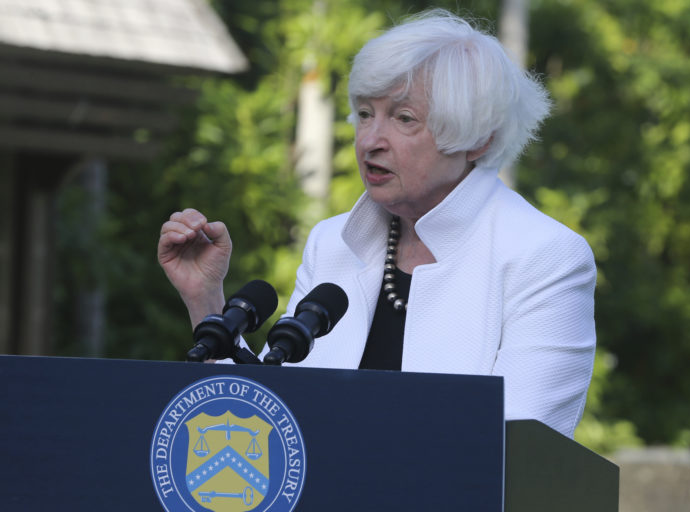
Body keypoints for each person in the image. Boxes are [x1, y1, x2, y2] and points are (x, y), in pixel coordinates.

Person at [158, 9, 596, 439]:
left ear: (479, 139)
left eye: (404, 118)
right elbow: (269, 426)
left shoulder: (546, 257)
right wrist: (205, 299)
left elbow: (519, 448)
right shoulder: (331, 242)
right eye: (365, 114)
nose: (369, 140)